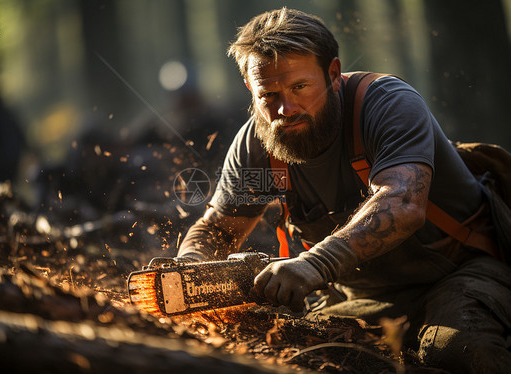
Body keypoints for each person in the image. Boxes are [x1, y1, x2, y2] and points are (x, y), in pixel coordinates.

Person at [175, 7, 511, 373]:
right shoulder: (259, 149)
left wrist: (314, 264)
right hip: (360, 298)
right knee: (300, 355)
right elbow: (221, 230)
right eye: (268, 94)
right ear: (250, 89)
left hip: (462, 273)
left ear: (333, 74)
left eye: (300, 87)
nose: (286, 108)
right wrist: (187, 268)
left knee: (460, 351)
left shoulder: (386, 105)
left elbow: (401, 204)